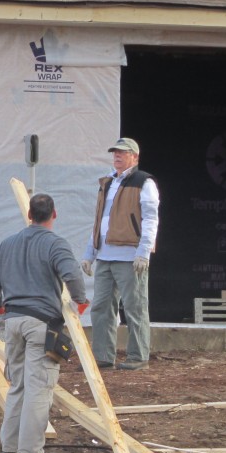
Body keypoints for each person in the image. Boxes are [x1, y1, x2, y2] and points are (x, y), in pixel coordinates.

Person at [0, 193, 88, 453]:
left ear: (29, 215)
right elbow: (72, 275)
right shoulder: (55, 244)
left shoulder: (7, 244)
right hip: (41, 325)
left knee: (17, 385)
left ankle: (9, 446)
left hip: (13, 322)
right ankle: (29, 452)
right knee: (39, 388)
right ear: (54, 215)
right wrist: (81, 301)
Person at [81, 137, 160, 371]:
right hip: (105, 256)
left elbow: (150, 218)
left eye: (123, 152)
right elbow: (99, 222)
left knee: (135, 307)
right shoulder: (107, 182)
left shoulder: (144, 181)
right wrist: (90, 253)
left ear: (134, 157)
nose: (117, 156)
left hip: (129, 255)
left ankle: (138, 357)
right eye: (115, 152)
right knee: (101, 307)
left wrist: (144, 251)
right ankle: (103, 357)